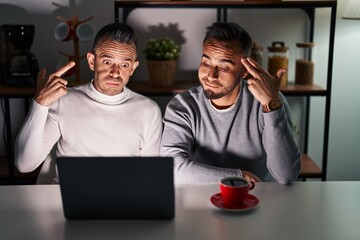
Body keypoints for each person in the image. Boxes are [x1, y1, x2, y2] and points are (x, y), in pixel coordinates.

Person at [15, 22, 163, 183]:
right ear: (92, 61)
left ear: (133, 68)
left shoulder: (148, 110)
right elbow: (24, 165)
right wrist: (40, 103)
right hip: (67, 199)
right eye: (107, 62)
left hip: (122, 202)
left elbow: (150, 176)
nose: (115, 73)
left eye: (124, 65)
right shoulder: (63, 100)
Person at [160, 22, 301, 185]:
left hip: (257, 200)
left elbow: (286, 175)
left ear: (245, 70)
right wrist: (238, 176)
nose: (211, 75)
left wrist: (271, 106)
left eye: (224, 67)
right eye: (206, 63)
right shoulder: (183, 106)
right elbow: (172, 168)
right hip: (200, 200)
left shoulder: (269, 102)